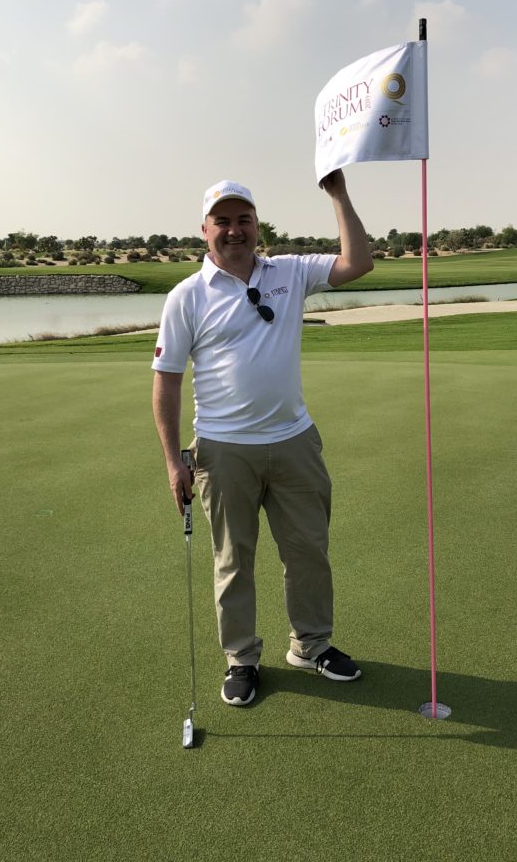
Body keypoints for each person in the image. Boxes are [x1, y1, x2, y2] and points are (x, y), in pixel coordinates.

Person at [152, 169, 373, 706]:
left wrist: (338, 194)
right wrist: (173, 460)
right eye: (223, 221)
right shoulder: (186, 297)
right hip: (223, 449)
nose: (235, 229)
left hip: (294, 440)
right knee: (233, 561)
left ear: (257, 225)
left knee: (308, 551)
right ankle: (242, 658)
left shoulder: (289, 272)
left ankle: (311, 645)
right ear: (205, 230)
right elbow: (167, 380)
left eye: (244, 219)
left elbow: (358, 263)